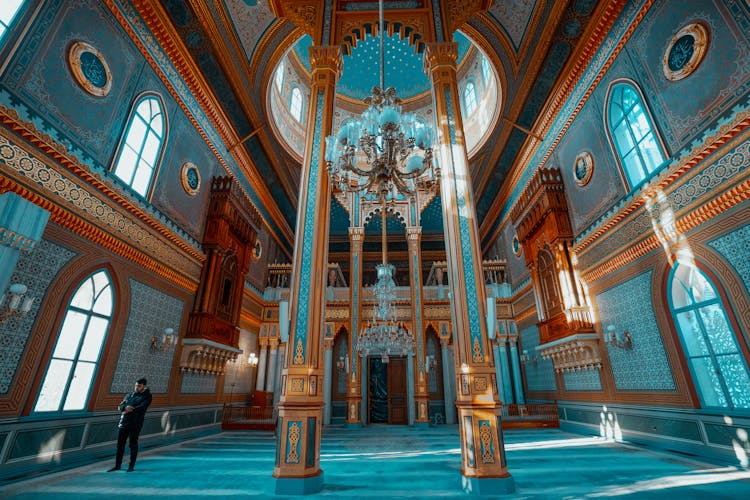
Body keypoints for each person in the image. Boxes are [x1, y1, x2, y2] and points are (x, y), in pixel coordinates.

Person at [108, 377, 152, 472]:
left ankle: (131, 466)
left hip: (135, 424)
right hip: (124, 423)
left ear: (144, 386)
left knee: (133, 444)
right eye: (136, 385)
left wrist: (130, 409)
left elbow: (142, 407)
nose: (136, 387)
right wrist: (124, 408)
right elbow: (120, 406)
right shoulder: (129, 395)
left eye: (139, 386)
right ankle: (117, 465)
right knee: (120, 445)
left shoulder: (147, 396)